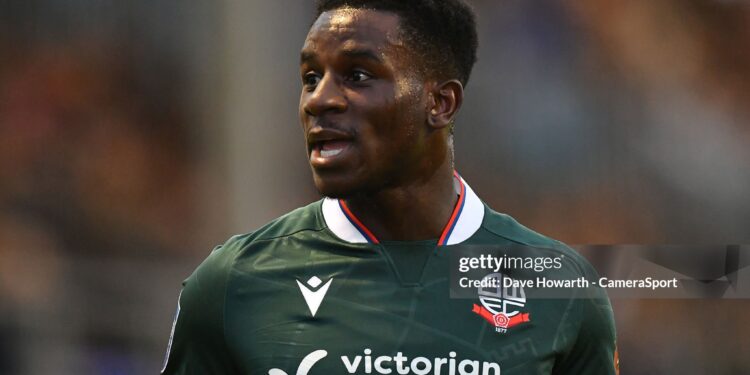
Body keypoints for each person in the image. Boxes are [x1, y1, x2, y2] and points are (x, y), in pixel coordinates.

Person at [161, 1, 618, 374]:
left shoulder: (560, 291)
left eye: (357, 75)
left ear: (440, 103)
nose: (320, 100)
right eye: (310, 78)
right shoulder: (234, 284)